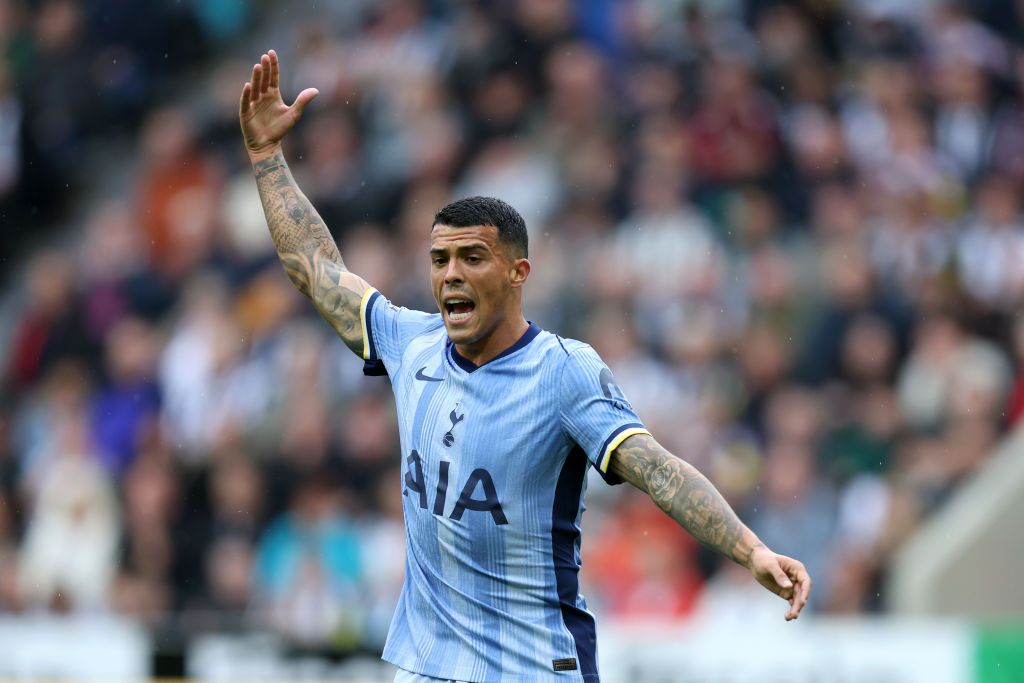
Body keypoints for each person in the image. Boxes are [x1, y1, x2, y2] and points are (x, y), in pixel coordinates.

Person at [239, 50, 811, 683]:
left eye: (472, 257)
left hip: (533, 668)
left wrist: (750, 549)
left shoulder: (562, 372)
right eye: (439, 259)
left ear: (518, 273)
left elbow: (659, 471)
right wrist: (267, 159)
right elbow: (317, 272)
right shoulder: (412, 344)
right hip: (426, 666)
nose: (451, 273)